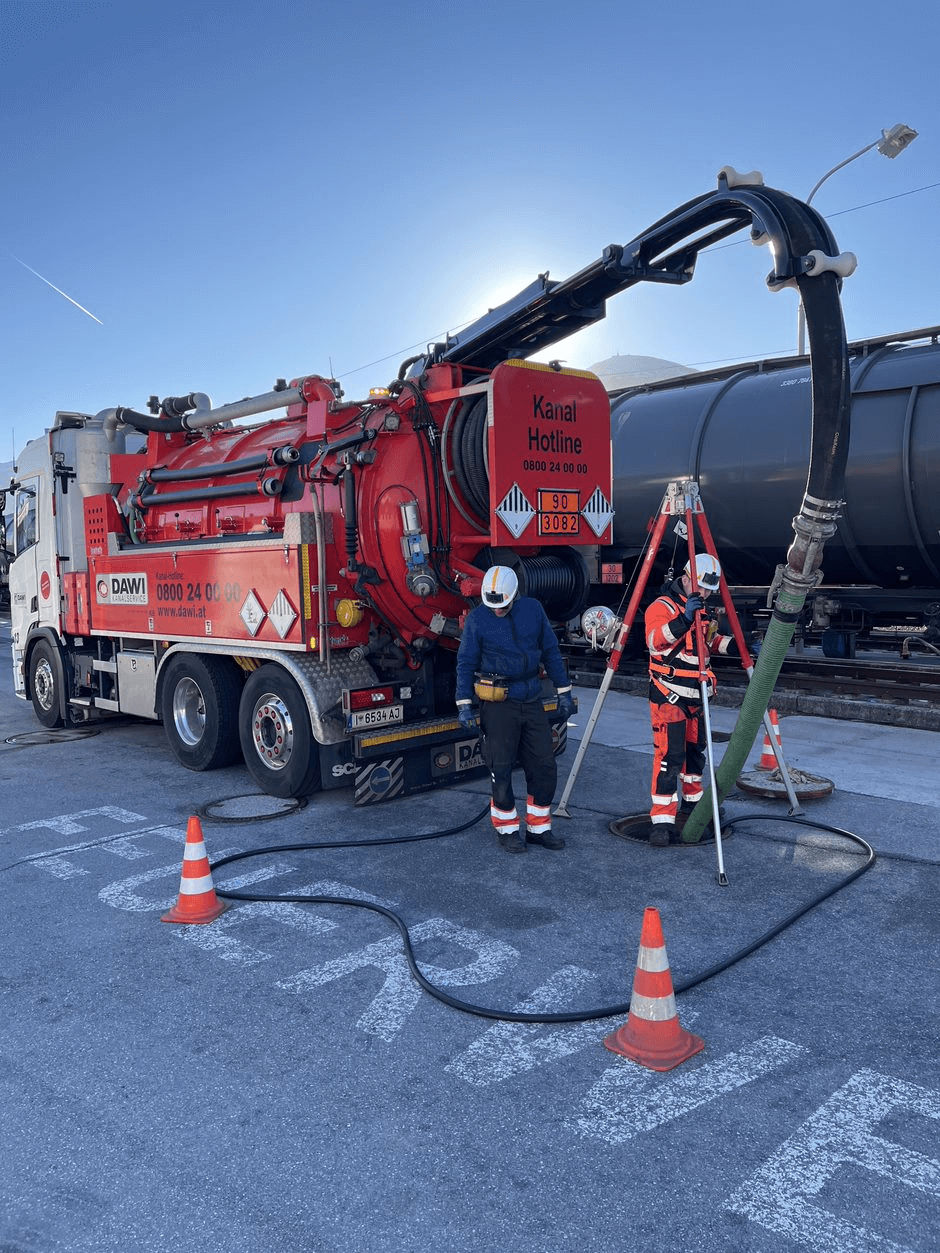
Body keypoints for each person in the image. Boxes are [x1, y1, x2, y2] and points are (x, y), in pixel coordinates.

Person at [455, 565, 575, 854]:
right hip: (498, 705)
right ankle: (507, 830)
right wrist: (464, 704)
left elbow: (550, 651)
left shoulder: (532, 610)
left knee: (544, 766)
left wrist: (564, 691)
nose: (498, 610)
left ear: (515, 595)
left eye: (504, 605)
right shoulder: (477, 620)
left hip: (531, 700)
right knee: (501, 769)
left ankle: (538, 829)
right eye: (493, 605)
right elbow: (465, 664)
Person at [644, 553, 733, 846]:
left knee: (695, 756)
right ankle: (662, 821)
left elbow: (707, 645)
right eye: (703, 588)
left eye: (710, 590)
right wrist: (683, 619)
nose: (706, 594)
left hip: (698, 698)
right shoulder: (661, 607)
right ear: (686, 579)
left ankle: (693, 806)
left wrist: (734, 645)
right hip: (670, 696)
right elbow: (656, 641)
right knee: (670, 759)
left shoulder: (702, 611)